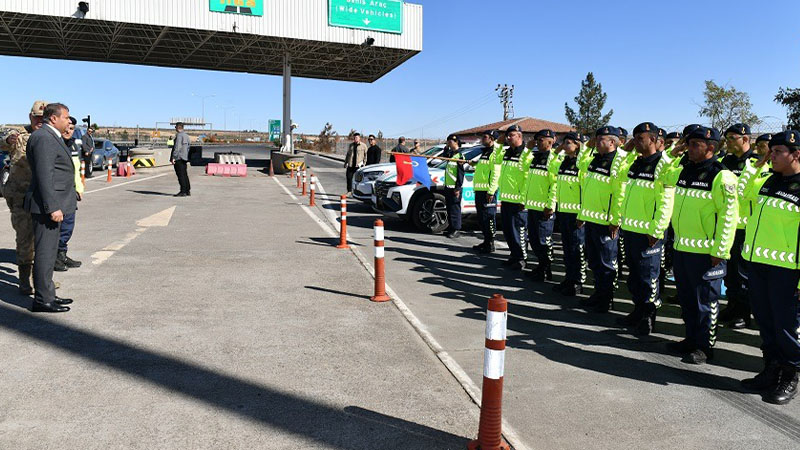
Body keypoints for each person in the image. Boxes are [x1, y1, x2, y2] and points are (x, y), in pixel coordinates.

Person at [663, 126, 738, 364]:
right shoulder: (684, 169)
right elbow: (662, 178)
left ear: (711, 148)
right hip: (683, 247)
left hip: (706, 252)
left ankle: (705, 346)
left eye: (695, 145)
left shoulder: (722, 176)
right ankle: (691, 339)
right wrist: (673, 154)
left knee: (705, 302)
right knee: (687, 299)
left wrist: (720, 250)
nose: (689, 148)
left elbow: (728, 216)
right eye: (688, 144)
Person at [738, 130, 800, 405]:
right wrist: (757, 165)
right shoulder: (767, 180)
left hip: (787, 270)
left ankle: (790, 375)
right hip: (759, 264)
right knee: (766, 321)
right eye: (770, 150)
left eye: (777, 152)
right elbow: (742, 193)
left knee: (786, 326)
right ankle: (771, 369)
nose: (771, 155)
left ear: (796, 154)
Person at [617, 122, 675, 335]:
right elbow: (617, 174)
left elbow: (666, 201)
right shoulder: (635, 162)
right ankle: (638, 309)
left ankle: (649, 316)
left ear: (653, 140)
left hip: (650, 232)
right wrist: (626, 151)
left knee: (648, 276)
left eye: (640, 139)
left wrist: (657, 230)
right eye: (634, 138)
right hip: (631, 228)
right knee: (634, 275)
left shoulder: (663, 165)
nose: (636, 142)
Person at [24, 103, 76, 313]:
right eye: (66, 117)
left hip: (52, 204)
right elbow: (45, 175)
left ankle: (48, 294)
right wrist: (52, 207)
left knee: (50, 252)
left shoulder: (51, 136)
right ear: (54, 118)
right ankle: (42, 300)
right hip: (46, 207)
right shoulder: (44, 138)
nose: (69, 121)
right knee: (45, 254)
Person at [577, 126, 629, 312]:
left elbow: (619, 195)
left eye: (600, 140)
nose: (597, 143)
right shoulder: (594, 158)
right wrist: (587, 147)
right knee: (594, 261)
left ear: (612, 142)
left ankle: (606, 299)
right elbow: (580, 165)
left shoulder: (618, 162)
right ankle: (598, 294)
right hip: (591, 219)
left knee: (606, 263)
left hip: (606, 223)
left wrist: (615, 221)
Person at [1, 100, 46, 295]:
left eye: (44, 118)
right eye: (37, 118)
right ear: (30, 117)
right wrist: (8, 139)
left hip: (44, 196)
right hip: (21, 196)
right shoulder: (19, 135)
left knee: (44, 241)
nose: (40, 121)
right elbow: (3, 140)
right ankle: (24, 280)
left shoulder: (50, 136)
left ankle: (42, 281)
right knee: (25, 239)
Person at [718, 123, 758, 329]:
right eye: (727, 139)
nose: (728, 142)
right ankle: (732, 306)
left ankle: (744, 313)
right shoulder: (725, 161)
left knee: (742, 274)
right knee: (730, 272)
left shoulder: (756, 163)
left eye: (732, 138)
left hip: (745, 227)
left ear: (745, 139)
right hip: (728, 225)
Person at [552, 132, 586, 296]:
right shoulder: (564, 161)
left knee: (576, 249)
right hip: (563, 211)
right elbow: (550, 167)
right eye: (563, 142)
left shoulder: (582, 164)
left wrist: (582, 214)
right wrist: (557, 150)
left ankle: (577, 282)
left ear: (578, 145)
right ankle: (569, 278)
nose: (564, 146)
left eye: (568, 143)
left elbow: (585, 190)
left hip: (576, 214)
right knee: (567, 248)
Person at [523, 129, 559, 281]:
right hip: (533, 205)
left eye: (541, 140)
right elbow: (522, 166)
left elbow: (554, 184)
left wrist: (550, 205)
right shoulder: (535, 157)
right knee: (534, 239)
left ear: (550, 141)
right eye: (537, 140)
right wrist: (527, 150)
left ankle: (546, 269)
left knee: (544, 241)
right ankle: (540, 266)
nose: (537, 142)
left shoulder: (554, 159)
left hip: (544, 208)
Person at [498, 125, 534, 270]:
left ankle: (521, 259)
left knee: (519, 231)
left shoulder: (526, 155)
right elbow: (495, 160)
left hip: (518, 200)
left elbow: (527, 180)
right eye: (507, 135)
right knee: (508, 231)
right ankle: (514, 255)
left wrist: (523, 199)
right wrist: (499, 144)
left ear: (519, 136)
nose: (508, 138)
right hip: (506, 197)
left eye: (511, 135)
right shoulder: (507, 152)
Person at [55, 117, 84, 272]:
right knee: (56, 227)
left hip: (71, 192)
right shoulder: (55, 143)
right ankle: (54, 258)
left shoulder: (73, 145)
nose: (68, 131)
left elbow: (76, 170)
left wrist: (79, 188)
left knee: (68, 226)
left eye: (72, 129)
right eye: (67, 127)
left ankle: (62, 254)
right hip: (59, 192)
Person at [472, 130, 504, 253]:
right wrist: (474, 164)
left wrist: (491, 191)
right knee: (482, 218)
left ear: (491, 139)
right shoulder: (485, 152)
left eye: (485, 137)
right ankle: (486, 241)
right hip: (480, 190)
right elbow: (485, 169)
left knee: (489, 218)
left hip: (488, 191)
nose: (482, 139)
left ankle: (490, 243)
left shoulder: (495, 153)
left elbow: (496, 173)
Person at [442, 134, 465, 238]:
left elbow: (460, 173)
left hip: (455, 187)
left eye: (450, 142)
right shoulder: (451, 154)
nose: (449, 143)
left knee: (455, 209)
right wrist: (446, 147)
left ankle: (456, 229)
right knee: (449, 208)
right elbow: (444, 157)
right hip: (448, 186)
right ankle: (451, 228)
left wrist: (458, 187)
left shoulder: (459, 156)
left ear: (456, 142)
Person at [170, 122, 191, 197]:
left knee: (180, 175)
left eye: (175, 127)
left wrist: (173, 157)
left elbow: (177, 148)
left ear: (177, 127)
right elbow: (188, 147)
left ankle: (183, 191)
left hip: (178, 158)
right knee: (184, 174)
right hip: (184, 157)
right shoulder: (186, 136)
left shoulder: (179, 136)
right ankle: (187, 190)